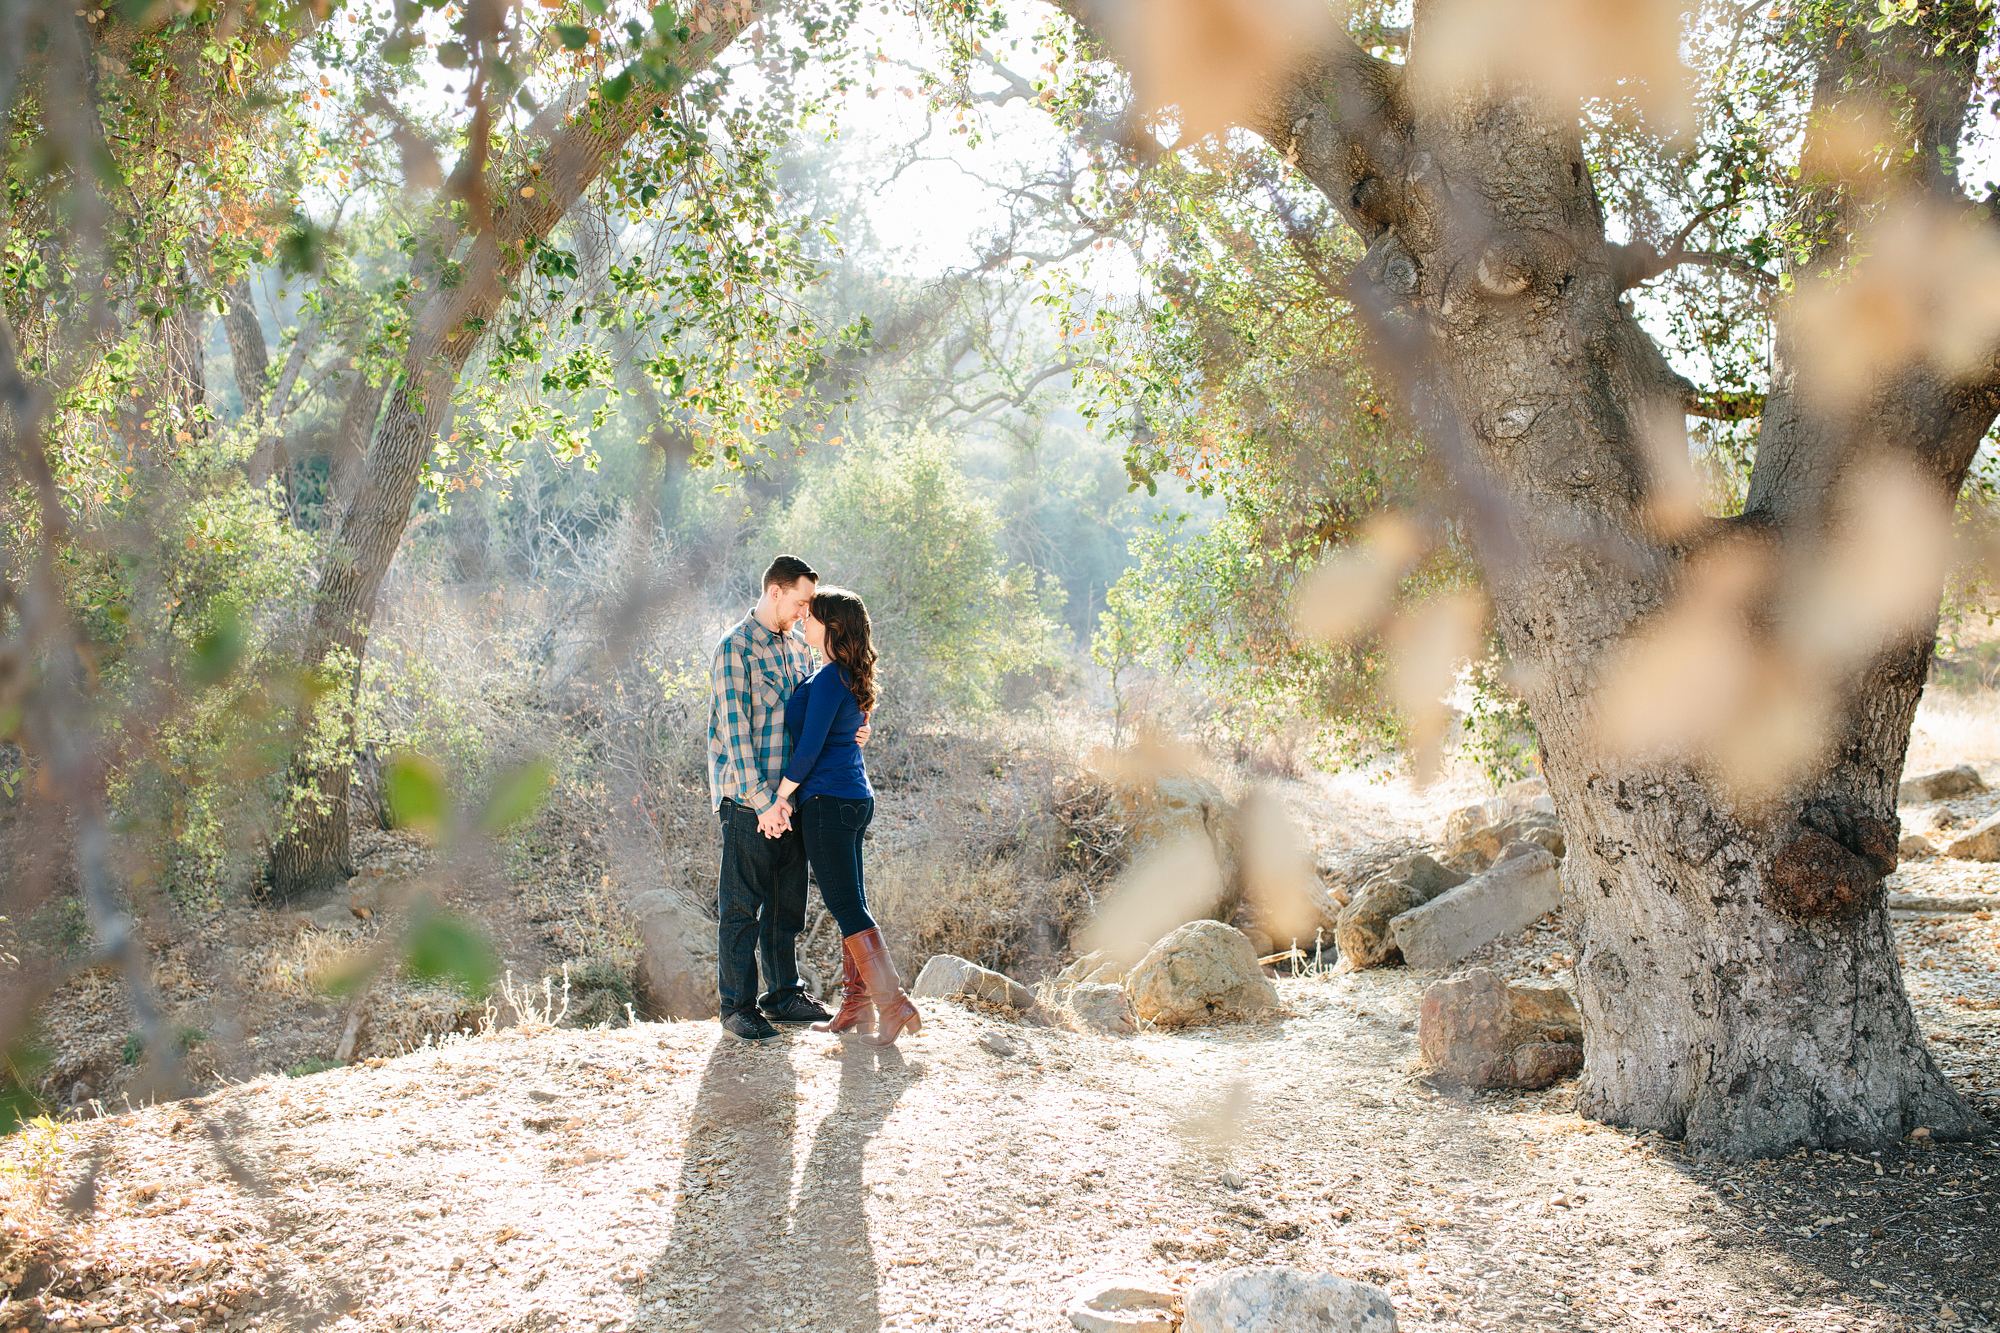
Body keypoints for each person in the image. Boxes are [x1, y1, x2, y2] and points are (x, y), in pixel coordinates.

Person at [772, 586, 921, 1047]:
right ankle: (857, 1006)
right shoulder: (842, 675)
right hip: (854, 797)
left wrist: (780, 797)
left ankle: (893, 1004)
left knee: (845, 904)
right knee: (851, 901)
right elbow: (844, 731)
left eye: (812, 616)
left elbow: (811, 747)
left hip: (828, 801)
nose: (804, 621)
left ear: (831, 628)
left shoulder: (831, 677)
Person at [708, 554, 837, 1041]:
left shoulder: (798, 650)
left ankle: (783, 994)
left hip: (790, 800)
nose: (807, 613)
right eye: (802, 601)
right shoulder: (734, 648)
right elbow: (736, 735)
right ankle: (736, 1007)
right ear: (776, 591)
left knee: (787, 905)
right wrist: (763, 803)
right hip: (748, 801)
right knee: (742, 907)